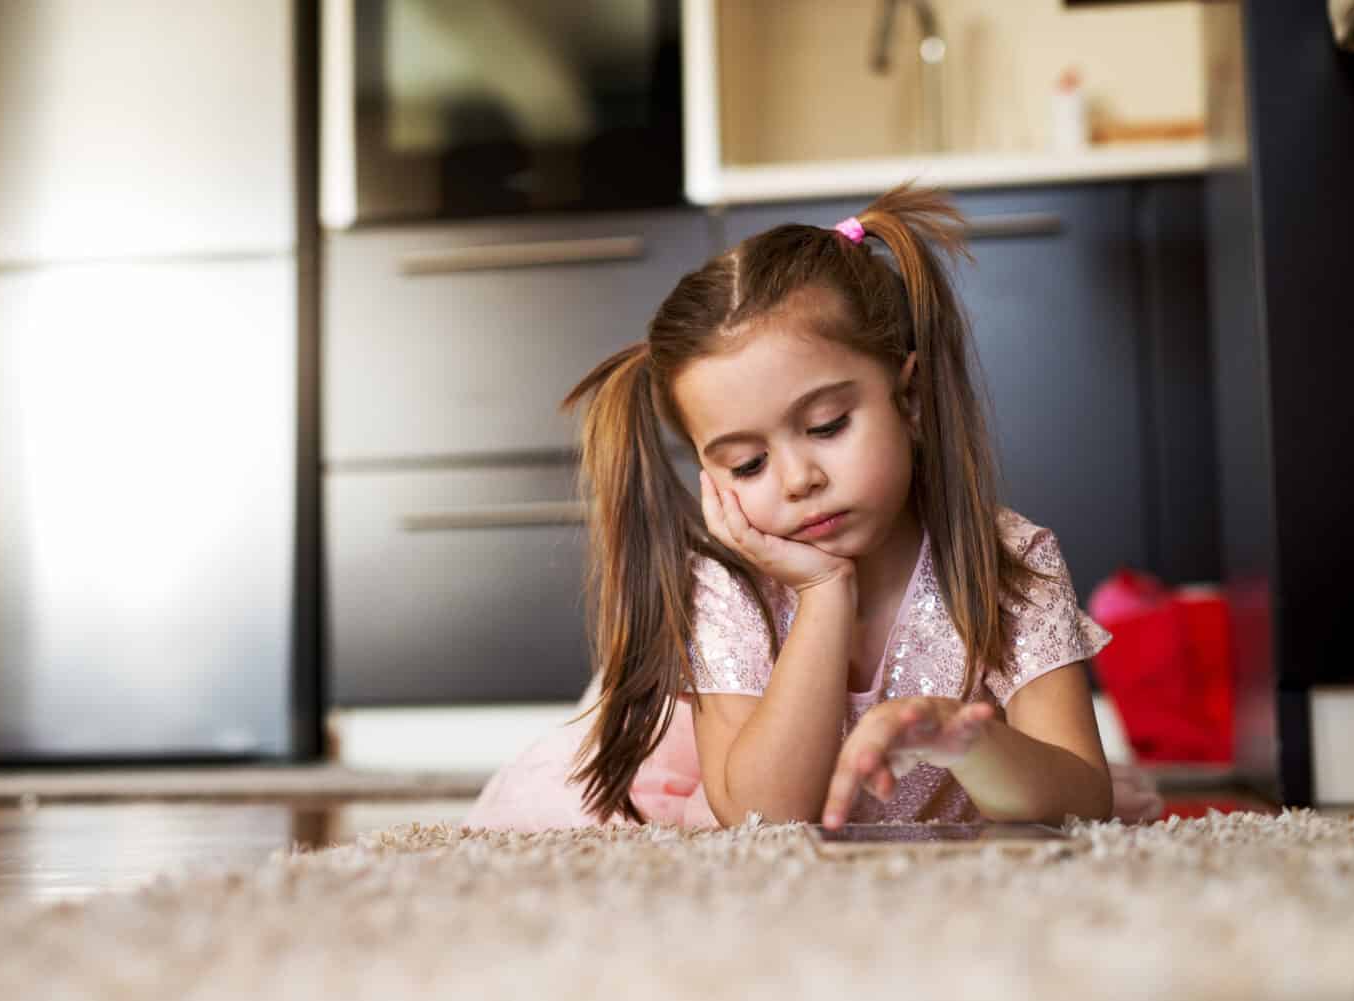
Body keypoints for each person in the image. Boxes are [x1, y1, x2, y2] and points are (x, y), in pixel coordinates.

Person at [463, 184, 1164, 832]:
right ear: (712, 475)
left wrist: (967, 738)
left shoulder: (1012, 562)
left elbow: (1081, 799)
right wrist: (823, 593)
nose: (798, 479)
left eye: (827, 425)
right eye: (747, 464)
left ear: (909, 398)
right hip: (701, 777)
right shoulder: (724, 584)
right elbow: (765, 820)